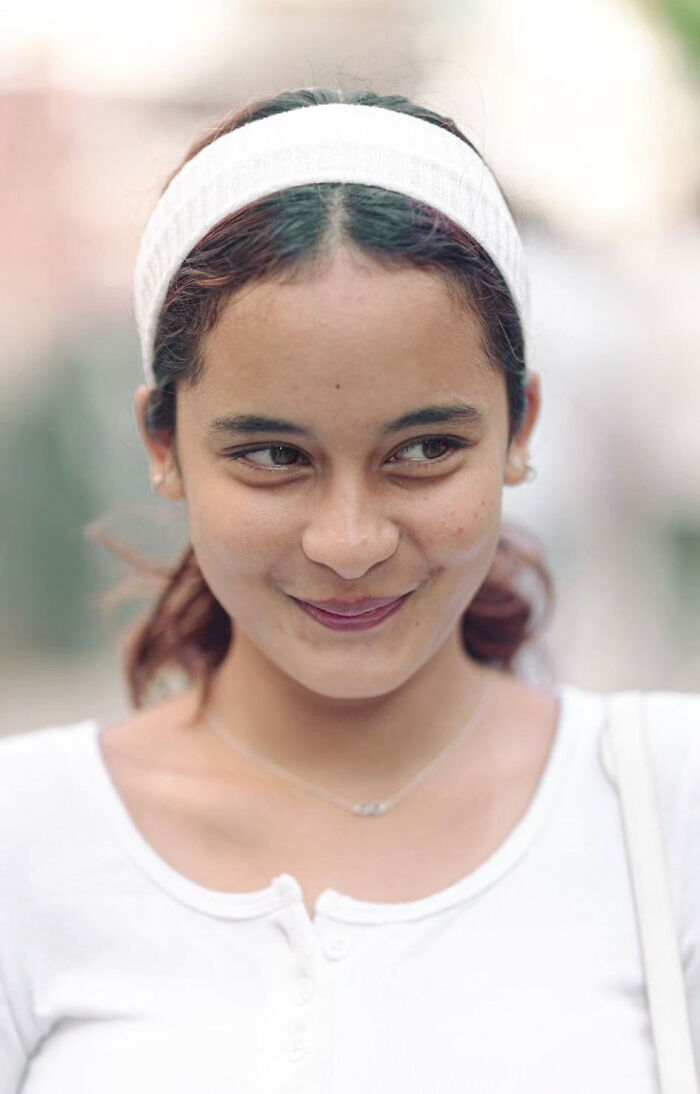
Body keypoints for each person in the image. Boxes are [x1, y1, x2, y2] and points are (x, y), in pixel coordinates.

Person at [0, 86, 698, 1093]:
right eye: (274, 455)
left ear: (522, 426)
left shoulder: (663, 804)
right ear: (164, 441)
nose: (350, 540)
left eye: (423, 449)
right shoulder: (27, 838)